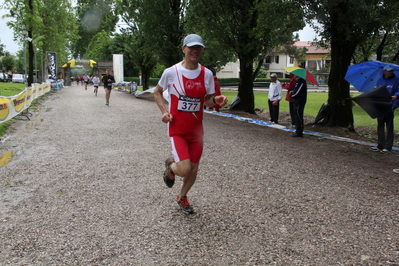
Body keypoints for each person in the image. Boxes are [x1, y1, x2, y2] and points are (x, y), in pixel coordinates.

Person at [154, 34, 228, 214]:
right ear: (184, 49)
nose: (195, 51)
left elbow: (207, 101)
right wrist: (164, 112)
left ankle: (182, 196)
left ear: (202, 50)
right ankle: (171, 167)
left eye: (199, 48)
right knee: (184, 168)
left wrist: (216, 100)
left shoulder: (206, 73)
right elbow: (157, 92)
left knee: (193, 169)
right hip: (177, 129)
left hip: (197, 131)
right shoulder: (171, 72)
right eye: (191, 47)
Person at [370, 65, 399, 153]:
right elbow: (377, 90)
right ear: (384, 71)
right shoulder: (380, 80)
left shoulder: (397, 80)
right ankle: (380, 145)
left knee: (389, 126)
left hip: (390, 105)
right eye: (389, 71)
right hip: (380, 106)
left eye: (392, 71)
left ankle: (388, 146)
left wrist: (396, 97)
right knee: (380, 125)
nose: (390, 72)